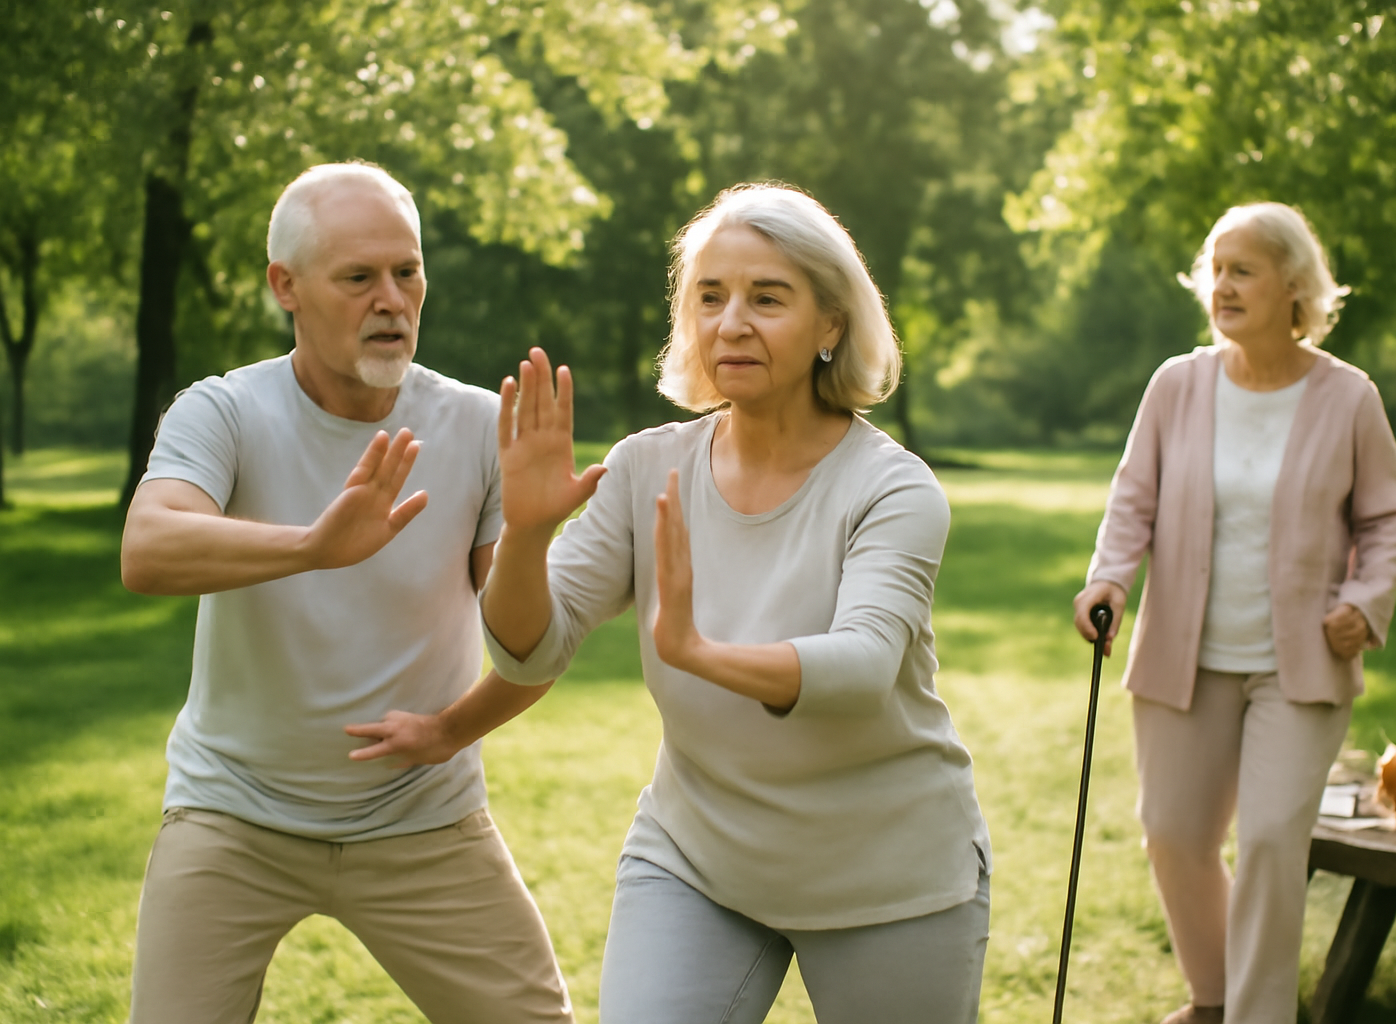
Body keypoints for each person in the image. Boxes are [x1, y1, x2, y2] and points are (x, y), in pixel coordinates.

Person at [358, 183, 992, 1024]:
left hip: (885, 875)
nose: (732, 323)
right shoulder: (645, 467)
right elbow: (530, 646)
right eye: (711, 296)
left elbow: (864, 667)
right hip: (696, 862)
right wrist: (528, 535)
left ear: (831, 326)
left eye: (768, 298)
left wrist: (700, 654)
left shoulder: (892, 488)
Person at [119, 161, 573, 1024]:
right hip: (233, 814)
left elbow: (532, 646)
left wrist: (529, 539)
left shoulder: (481, 425)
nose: (392, 301)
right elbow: (147, 550)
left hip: (422, 819)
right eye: (359, 277)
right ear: (285, 286)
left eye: (407, 272)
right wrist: (312, 547)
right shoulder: (224, 411)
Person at [1072, 202, 1396, 1024]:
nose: (1221, 286)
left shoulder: (1348, 397)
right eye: (1214, 269)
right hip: (1183, 659)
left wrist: (1364, 604)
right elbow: (1133, 501)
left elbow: (1385, 518)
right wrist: (1108, 581)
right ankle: (1215, 997)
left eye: (1242, 271)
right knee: (1173, 834)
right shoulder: (1177, 385)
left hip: (1298, 668)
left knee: (1266, 844)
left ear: (1294, 285)